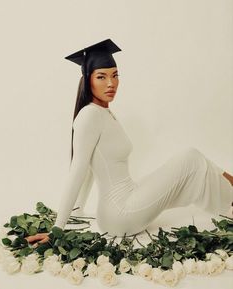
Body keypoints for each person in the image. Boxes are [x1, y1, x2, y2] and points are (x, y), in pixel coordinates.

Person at [25, 39, 233, 248]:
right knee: (191, 158)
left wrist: (79, 210)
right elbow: (78, 170)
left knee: (193, 164)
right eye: (101, 77)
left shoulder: (103, 112)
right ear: (87, 80)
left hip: (127, 201)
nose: (111, 83)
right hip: (121, 214)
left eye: (115, 75)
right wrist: (57, 230)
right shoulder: (89, 116)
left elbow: (89, 167)